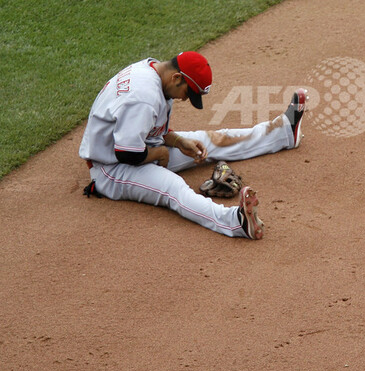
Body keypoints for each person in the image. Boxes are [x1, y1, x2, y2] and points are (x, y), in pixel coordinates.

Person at [78, 51, 307, 239]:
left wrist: (178, 141)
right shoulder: (143, 96)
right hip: (112, 167)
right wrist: (159, 152)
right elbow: (127, 153)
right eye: (189, 92)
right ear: (177, 77)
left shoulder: (153, 72)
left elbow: (146, 129)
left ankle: (284, 132)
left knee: (209, 141)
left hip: (140, 147)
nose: (186, 99)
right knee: (173, 189)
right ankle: (236, 222)